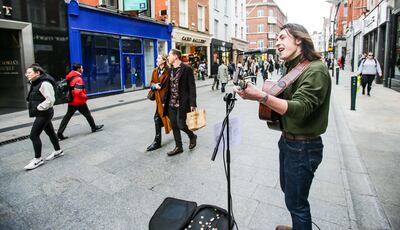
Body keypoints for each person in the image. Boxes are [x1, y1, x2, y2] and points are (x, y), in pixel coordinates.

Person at [235, 23, 331, 230]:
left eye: (282, 38)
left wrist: (261, 96)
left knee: (297, 204)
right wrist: (257, 97)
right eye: (276, 39)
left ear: (299, 40)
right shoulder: (293, 67)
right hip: (289, 141)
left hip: (304, 146)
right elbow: (280, 99)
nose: (277, 43)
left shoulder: (316, 69)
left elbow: (301, 108)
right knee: (289, 192)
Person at [24, 64, 64, 170]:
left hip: (44, 113)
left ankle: (38, 159)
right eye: (26, 73)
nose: (26, 75)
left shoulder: (45, 83)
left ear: (38, 73)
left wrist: (39, 107)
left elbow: (50, 100)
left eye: (29, 73)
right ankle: (58, 151)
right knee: (50, 132)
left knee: (33, 135)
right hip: (43, 112)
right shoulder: (36, 82)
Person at [164, 49, 197, 156]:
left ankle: (192, 136)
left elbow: (192, 87)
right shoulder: (170, 70)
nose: (168, 57)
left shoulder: (187, 69)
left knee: (181, 125)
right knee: (174, 125)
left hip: (182, 103)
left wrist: (193, 103)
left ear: (175, 56)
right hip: (171, 103)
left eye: (169, 55)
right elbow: (168, 86)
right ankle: (179, 147)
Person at [57, 63, 104, 140]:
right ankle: (94, 127)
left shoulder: (70, 76)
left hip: (71, 101)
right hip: (79, 101)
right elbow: (77, 92)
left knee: (67, 117)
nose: (82, 69)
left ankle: (59, 133)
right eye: (81, 68)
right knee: (88, 115)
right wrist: (85, 96)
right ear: (78, 69)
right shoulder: (78, 79)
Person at [146, 54, 172, 151]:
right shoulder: (155, 71)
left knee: (168, 118)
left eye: (159, 58)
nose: (157, 59)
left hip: (166, 100)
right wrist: (154, 86)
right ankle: (157, 142)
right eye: (157, 58)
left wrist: (166, 100)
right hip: (158, 99)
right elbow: (151, 82)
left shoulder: (169, 71)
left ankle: (190, 134)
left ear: (164, 60)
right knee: (158, 118)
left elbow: (169, 87)